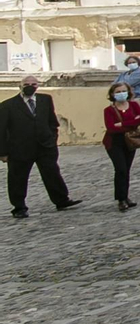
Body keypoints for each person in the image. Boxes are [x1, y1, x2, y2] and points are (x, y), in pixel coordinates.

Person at [0, 75, 81, 218]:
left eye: (33, 84)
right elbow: (2, 130)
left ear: (38, 86)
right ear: (20, 86)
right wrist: (3, 152)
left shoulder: (45, 100)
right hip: (20, 148)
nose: (30, 86)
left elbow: (52, 122)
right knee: (17, 178)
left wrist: (52, 139)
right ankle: (19, 207)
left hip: (45, 146)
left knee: (52, 173)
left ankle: (61, 200)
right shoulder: (8, 105)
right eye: (26, 84)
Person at [103, 81, 140, 212]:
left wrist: (122, 124)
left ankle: (126, 196)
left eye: (123, 91)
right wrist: (131, 122)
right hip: (114, 142)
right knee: (120, 169)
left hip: (130, 141)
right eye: (118, 92)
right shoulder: (109, 110)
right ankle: (121, 199)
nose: (121, 94)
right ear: (112, 94)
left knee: (126, 169)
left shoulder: (133, 105)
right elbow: (111, 127)